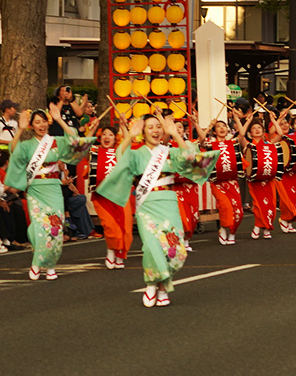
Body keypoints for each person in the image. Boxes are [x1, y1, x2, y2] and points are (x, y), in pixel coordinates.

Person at [94, 114, 216, 307]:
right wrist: (128, 136)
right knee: (152, 246)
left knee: (176, 250)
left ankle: (159, 285)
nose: (156, 130)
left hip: (168, 201)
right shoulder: (136, 152)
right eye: (150, 127)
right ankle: (154, 285)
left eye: (158, 127)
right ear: (143, 132)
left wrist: (175, 136)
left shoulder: (168, 151)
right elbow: (120, 157)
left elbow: (191, 159)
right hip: (147, 204)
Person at [4, 108, 95, 280]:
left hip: (53, 187)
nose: (41, 125)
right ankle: (37, 263)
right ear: (31, 126)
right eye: (37, 122)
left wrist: (60, 120)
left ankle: (50, 264)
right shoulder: (27, 144)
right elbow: (14, 151)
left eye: (44, 121)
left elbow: (77, 142)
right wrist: (21, 129)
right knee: (39, 227)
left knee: (55, 227)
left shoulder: (54, 142)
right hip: (36, 188)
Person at [234, 111, 287, 240]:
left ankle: (266, 227)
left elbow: (280, 134)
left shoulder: (269, 144)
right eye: (254, 128)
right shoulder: (249, 145)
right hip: (254, 180)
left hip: (268, 179)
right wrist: (246, 120)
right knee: (258, 204)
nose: (257, 130)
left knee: (270, 204)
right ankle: (259, 226)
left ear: (263, 132)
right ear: (250, 133)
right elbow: (241, 135)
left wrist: (275, 120)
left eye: (259, 128)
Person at [84, 124, 130, 268]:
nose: (106, 137)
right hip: (101, 195)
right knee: (109, 225)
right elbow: (83, 147)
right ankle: (111, 250)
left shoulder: (119, 150)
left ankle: (120, 254)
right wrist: (91, 129)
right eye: (104, 134)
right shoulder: (94, 151)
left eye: (110, 134)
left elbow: (128, 141)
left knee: (124, 226)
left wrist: (123, 125)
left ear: (116, 137)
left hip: (119, 195)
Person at [194, 115, 243, 245]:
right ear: (214, 132)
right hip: (217, 183)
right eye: (218, 127)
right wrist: (205, 125)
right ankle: (223, 228)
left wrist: (237, 117)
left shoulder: (232, 142)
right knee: (225, 206)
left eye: (224, 126)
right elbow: (202, 139)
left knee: (238, 210)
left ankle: (232, 232)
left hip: (232, 181)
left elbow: (242, 134)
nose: (222, 128)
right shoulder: (211, 144)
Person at [274, 111, 296, 234]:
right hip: (283, 173)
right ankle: (284, 218)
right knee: (286, 198)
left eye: (286, 123)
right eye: (281, 124)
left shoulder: (294, 136)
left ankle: (291, 220)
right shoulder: (276, 138)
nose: (285, 125)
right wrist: (277, 120)